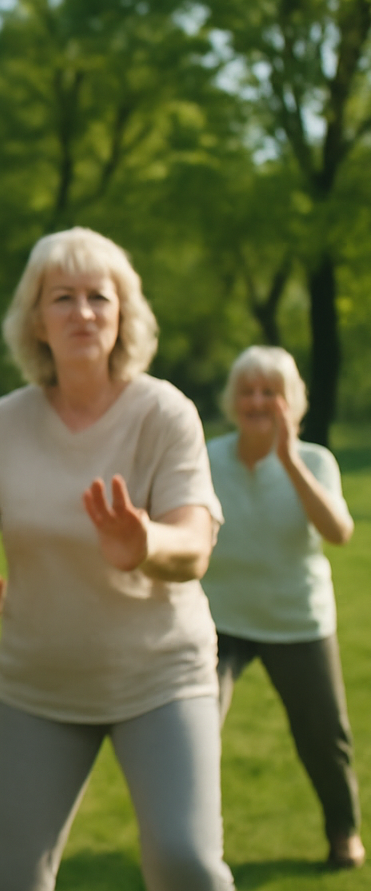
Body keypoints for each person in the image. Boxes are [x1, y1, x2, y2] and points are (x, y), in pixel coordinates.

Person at [0, 227, 233, 891]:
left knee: (186, 863)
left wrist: (146, 544)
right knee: (0, 880)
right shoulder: (3, 425)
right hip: (38, 686)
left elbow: (194, 544)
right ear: (36, 320)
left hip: (159, 678)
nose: (82, 312)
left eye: (98, 297)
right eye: (62, 297)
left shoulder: (164, 413)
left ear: (124, 315)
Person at [202, 346, 363, 870]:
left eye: (270, 392)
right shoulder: (207, 457)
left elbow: (338, 532)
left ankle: (343, 832)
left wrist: (289, 460)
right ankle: (190, 847)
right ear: (232, 400)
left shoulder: (315, 461)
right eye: (247, 391)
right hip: (219, 619)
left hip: (297, 620)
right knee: (192, 729)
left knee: (324, 736)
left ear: (291, 402)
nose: (257, 401)